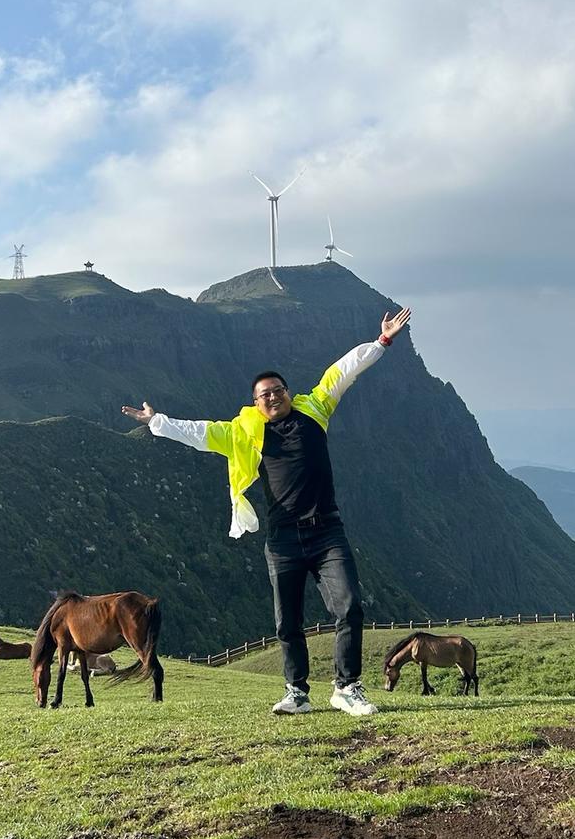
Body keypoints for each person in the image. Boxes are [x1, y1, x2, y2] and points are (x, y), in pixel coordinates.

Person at [122, 306, 412, 716]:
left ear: (288, 394)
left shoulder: (315, 410)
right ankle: (297, 692)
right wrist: (157, 422)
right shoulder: (241, 432)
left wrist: (382, 341)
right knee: (287, 622)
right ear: (255, 403)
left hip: (328, 532)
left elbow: (342, 371)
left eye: (278, 390)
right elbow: (200, 432)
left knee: (349, 607)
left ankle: (346, 687)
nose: (273, 397)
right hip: (283, 539)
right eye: (264, 394)